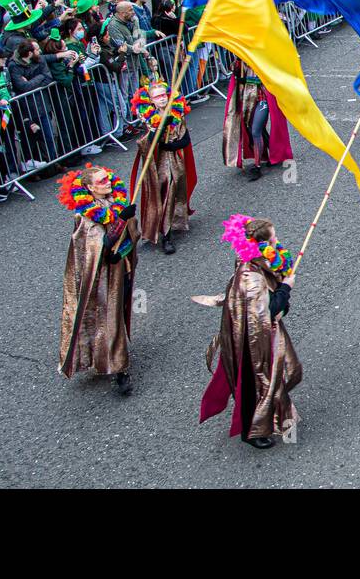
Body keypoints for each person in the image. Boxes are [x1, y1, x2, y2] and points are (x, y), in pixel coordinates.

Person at [199, 214, 301, 449]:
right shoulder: (251, 278)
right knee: (255, 381)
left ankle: (273, 416)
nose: (277, 241)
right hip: (253, 339)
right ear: (262, 244)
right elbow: (267, 311)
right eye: (274, 238)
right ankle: (251, 431)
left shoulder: (255, 260)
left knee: (270, 379)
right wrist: (286, 288)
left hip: (259, 331)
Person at [56, 165, 138, 395]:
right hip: (101, 278)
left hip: (121, 268)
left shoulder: (116, 201)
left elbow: (129, 237)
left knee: (117, 315)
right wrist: (120, 221)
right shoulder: (85, 217)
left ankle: (110, 354)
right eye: (102, 182)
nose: (108, 183)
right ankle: (119, 369)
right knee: (108, 318)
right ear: (90, 188)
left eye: (108, 179)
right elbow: (96, 248)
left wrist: (126, 225)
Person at [128, 81, 196, 255]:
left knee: (177, 190)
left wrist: (174, 145)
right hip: (158, 162)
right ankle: (165, 235)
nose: (162, 99)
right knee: (164, 192)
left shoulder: (177, 113)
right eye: (157, 97)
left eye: (163, 95)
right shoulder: (149, 117)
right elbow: (151, 142)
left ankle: (177, 220)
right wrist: (160, 128)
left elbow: (185, 138)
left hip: (176, 159)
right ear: (151, 100)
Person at [223, 58, 293, 181]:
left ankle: (257, 166)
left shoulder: (261, 56)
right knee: (251, 128)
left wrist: (247, 79)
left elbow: (266, 78)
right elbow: (234, 71)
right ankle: (271, 150)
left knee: (255, 130)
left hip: (262, 98)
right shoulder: (241, 57)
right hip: (246, 99)